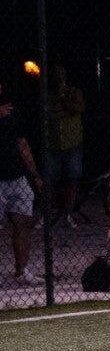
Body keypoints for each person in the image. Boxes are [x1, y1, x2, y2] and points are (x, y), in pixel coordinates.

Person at [1, 83, 40, 281]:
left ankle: (22, 270)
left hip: (16, 176)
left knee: (24, 222)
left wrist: (34, 175)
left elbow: (22, 145)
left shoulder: (11, 113)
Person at [44, 62, 87, 227]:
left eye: (61, 74)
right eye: (55, 75)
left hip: (72, 141)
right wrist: (67, 110)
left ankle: (68, 214)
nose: (58, 78)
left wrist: (63, 97)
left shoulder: (74, 92)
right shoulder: (47, 94)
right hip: (53, 143)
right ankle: (48, 214)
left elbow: (78, 109)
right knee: (49, 180)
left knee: (72, 179)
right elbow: (48, 113)